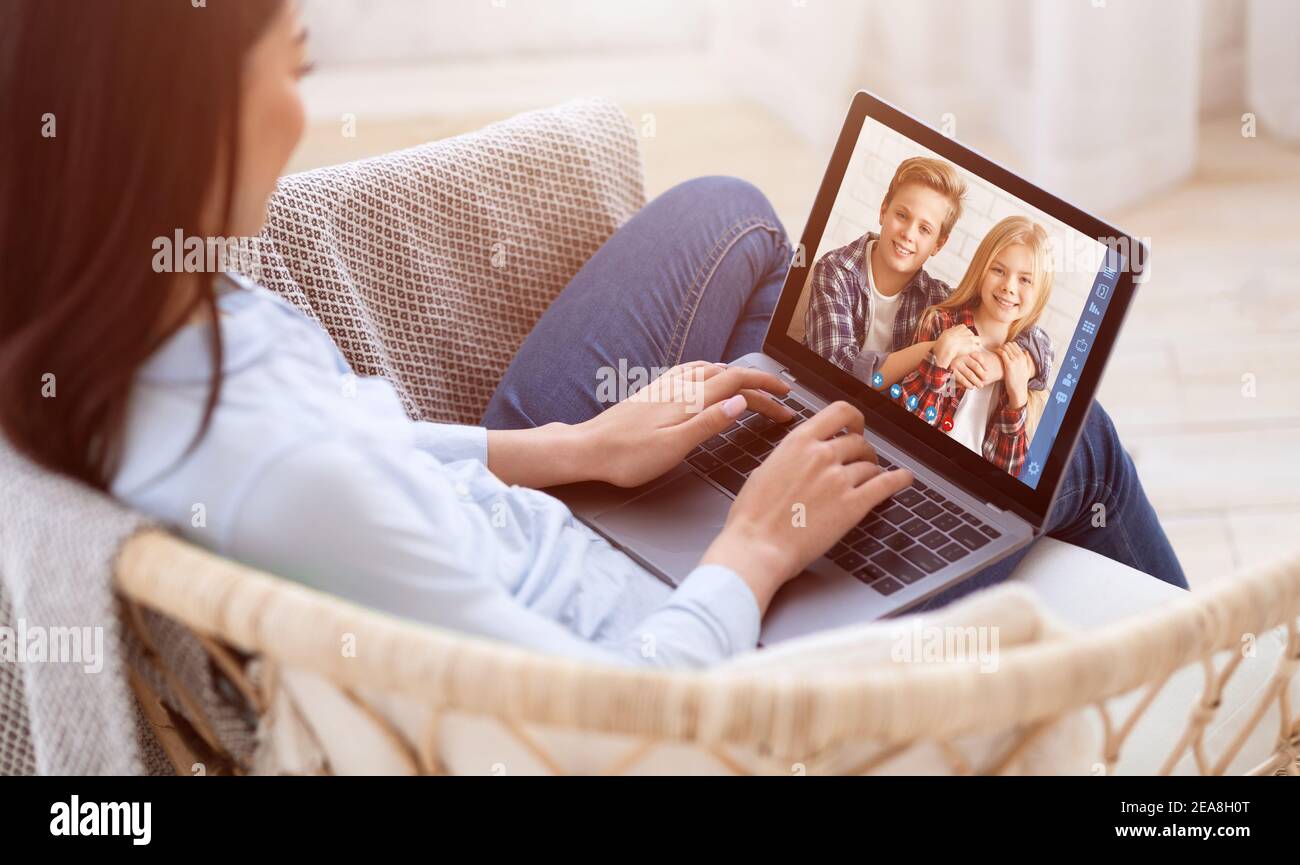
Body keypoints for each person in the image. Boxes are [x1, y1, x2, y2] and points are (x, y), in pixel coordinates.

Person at [0, 0, 1186, 673]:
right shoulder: (278, 475)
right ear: (181, 117)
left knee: (729, 221)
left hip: (552, 502)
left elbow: (363, 449)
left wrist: (573, 447)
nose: (305, 105)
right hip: (665, 633)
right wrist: (755, 547)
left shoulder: (146, 321)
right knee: (1073, 451)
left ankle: (771, 423)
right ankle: (1204, 713)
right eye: (294, 62)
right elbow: (606, 726)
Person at [803, 156, 1054, 395]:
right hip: (825, 400)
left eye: (925, 229)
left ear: (939, 244)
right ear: (883, 211)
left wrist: (999, 365)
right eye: (902, 216)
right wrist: (932, 350)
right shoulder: (835, 270)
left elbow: (1042, 345)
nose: (909, 234)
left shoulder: (938, 299)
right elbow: (838, 373)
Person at [889, 217, 1055, 476]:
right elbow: (902, 425)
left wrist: (1017, 397)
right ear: (981, 270)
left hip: (973, 487)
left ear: (1040, 291)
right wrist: (939, 360)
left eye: (1025, 280)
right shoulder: (941, 322)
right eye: (998, 270)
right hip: (917, 467)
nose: (1008, 287)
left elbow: (1009, 474)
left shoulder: (1023, 361)